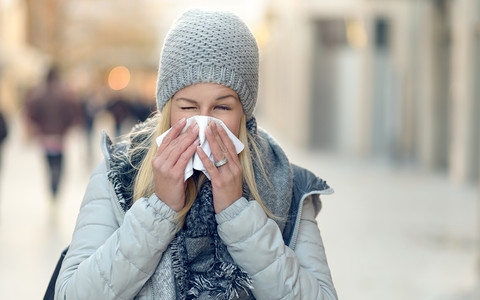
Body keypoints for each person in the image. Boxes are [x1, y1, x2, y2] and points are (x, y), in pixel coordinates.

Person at [55, 9, 337, 300]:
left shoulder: (288, 184)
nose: (203, 122)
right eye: (188, 107)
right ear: (167, 108)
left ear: (244, 112)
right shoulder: (118, 173)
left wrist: (237, 214)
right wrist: (159, 211)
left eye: (222, 107)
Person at [24, 66, 81, 199]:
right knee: (59, 164)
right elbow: (74, 112)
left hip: (45, 136)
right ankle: (55, 187)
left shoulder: (38, 93)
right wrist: (67, 127)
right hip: (60, 137)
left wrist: (37, 128)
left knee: (49, 164)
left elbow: (31, 113)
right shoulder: (65, 92)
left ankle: (52, 187)